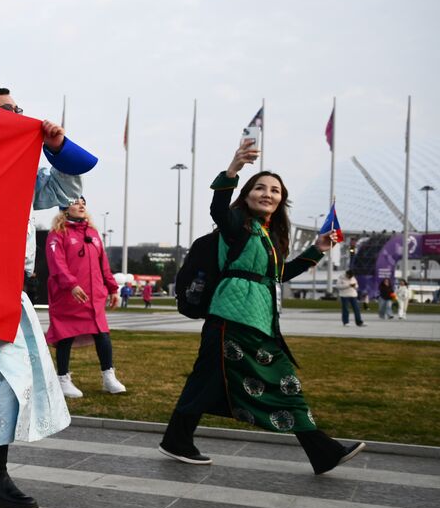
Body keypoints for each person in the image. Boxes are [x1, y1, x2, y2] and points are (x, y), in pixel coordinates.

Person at [159, 143, 363, 473]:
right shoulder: (236, 223)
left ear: (281, 199)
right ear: (248, 193)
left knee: (219, 382)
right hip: (230, 319)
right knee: (270, 382)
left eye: (275, 190)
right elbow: (218, 208)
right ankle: (321, 450)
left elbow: (278, 274)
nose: (267, 194)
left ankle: (176, 439)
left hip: (257, 322)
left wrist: (318, 249)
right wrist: (233, 169)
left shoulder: (267, 235)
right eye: (260, 187)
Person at [0, 86, 96, 508]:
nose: (18, 114)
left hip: (9, 287)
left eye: (19, 108)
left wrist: (57, 146)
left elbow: (67, 193)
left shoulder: (22, 166)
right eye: (7, 109)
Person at [45, 197, 125, 398]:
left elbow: (103, 265)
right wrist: (71, 284)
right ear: (65, 207)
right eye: (75, 202)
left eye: (83, 202)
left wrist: (113, 288)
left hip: (93, 296)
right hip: (68, 295)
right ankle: (63, 379)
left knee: (102, 335)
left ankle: (109, 377)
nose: (81, 205)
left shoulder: (93, 233)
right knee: (66, 336)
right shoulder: (57, 234)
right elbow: (57, 264)